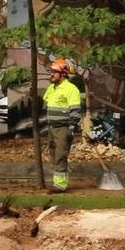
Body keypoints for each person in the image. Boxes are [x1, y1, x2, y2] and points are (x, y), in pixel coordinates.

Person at [42, 57, 85, 192]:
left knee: (60, 155)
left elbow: (75, 110)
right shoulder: (51, 88)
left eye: (54, 72)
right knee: (54, 154)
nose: (51, 75)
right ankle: (58, 182)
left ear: (63, 74)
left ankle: (60, 185)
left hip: (63, 128)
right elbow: (47, 104)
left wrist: (71, 127)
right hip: (52, 128)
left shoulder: (71, 89)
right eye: (51, 72)